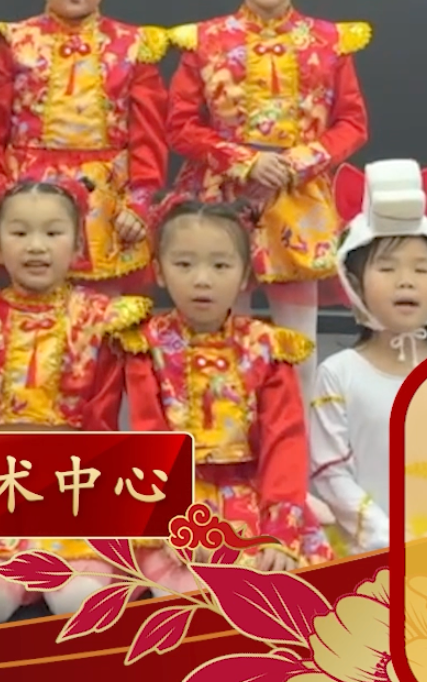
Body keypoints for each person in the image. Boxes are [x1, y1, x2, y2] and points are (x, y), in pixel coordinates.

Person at [167, 0, 369, 390]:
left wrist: (302, 160)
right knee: (222, 327)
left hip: (298, 201)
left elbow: (352, 123)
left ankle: (297, 431)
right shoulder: (205, 41)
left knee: (298, 342)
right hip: (221, 199)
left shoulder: (330, 42)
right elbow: (180, 125)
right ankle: (224, 426)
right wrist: (244, 160)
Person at [0, 179, 152, 624]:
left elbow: (102, 420)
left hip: (79, 480)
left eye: (53, 233)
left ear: (77, 244)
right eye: (20, 233)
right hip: (2, 481)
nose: (36, 246)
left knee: (77, 601)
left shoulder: (100, 318)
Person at [125, 198, 332, 596]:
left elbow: (284, 439)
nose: (202, 280)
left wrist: (280, 528)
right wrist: (172, 518)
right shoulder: (146, 346)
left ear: (244, 277)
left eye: (220, 266)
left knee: (289, 584)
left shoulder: (268, 347)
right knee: (179, 591)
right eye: (184, 264)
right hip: (175, 492)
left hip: (252, 488)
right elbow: (148, 435)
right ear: (160, 272)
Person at [0, 0, 169, 292]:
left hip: (107, 202)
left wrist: (139, 201)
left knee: (103, 311)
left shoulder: (134, 46)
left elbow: (148, 135)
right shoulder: (12, 42)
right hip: (29, 196)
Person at [308, 159, 427, 556]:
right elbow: (330, 471)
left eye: (421, 269)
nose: (406, 281)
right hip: (362, 560)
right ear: (355, 285)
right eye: (387, 268)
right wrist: (388, 538)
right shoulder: (337, 374)